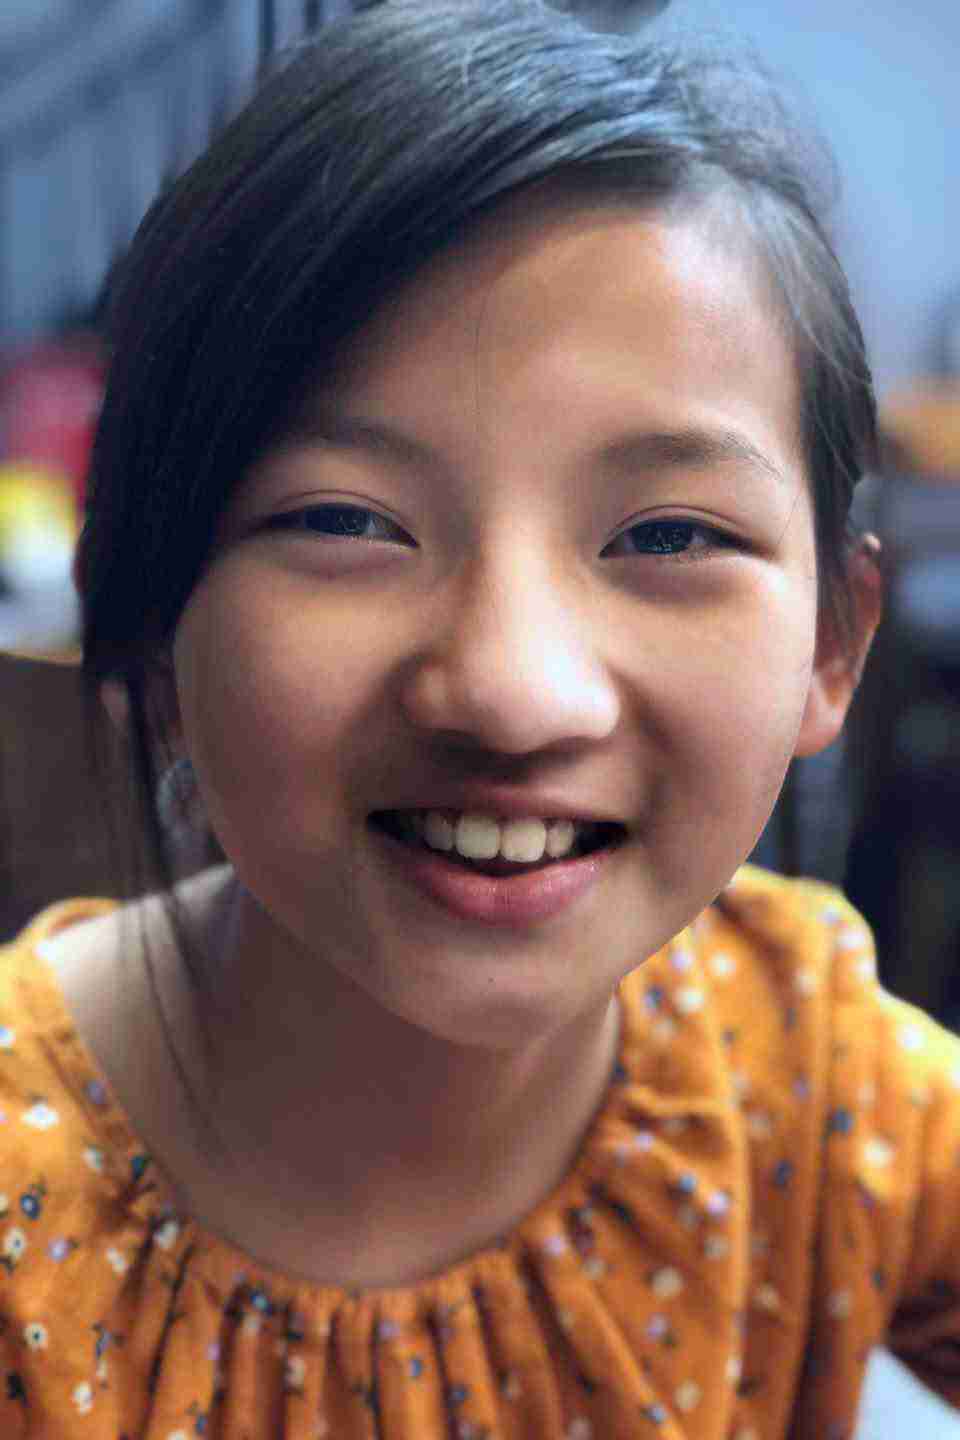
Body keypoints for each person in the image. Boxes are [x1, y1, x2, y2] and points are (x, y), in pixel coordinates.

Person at [0, 2, 954, 1436]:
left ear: (832, 642)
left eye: (667, 534)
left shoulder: (809, 1070)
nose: (513, 690)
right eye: (345, 521)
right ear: (148, 619)